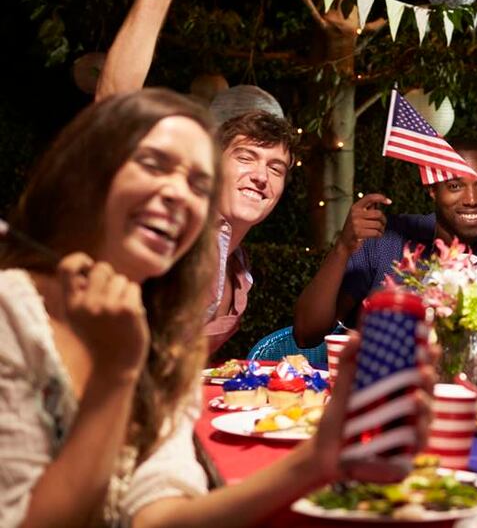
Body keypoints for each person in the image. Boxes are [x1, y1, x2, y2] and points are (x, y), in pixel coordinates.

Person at [0, 89, 429, 526]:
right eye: (154, 164)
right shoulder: (15, 310)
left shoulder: (171, 344)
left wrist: (317, 460)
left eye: (198, 183)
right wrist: (116, 374)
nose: (178, 193)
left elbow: (160, 517)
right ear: (92, 176)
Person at [94, 0, 297, 355]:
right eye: (246, 157)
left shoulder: (239, 264)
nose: (262, 176)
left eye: (276, 167)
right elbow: (112, 108)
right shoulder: (173, 224)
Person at [294, 137, 477, 347]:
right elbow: (306, 334)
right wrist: (342, 248)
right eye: (455, 186)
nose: (472, 199)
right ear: (432, 191)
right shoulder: (384, 243)